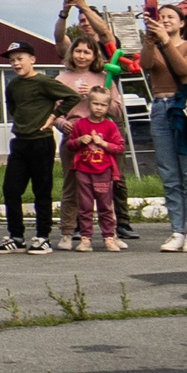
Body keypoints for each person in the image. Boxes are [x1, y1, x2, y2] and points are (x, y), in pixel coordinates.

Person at [56, 0, 137, 242]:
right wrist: (61, 122)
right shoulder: (64, 74)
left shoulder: (105, 61)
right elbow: (54, 110)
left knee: (112, 180)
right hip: (76, 135)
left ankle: (115, 228)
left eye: (87, 52)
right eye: (81, 20)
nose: (82, 55)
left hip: (106, 130)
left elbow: (106, 35)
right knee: (73, 184)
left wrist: (96, 97)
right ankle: (72, 229)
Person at [0, 40, 79, 255]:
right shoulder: (13, 86)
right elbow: (13, 107)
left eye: (20, 59)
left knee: (42, 191)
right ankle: (16, 237)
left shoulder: (44, 82)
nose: (16, 64)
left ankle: (43, 237)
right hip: (20, 142)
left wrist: (54, 116)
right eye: (12, 61)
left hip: (41, 142)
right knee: (11, 190)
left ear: (32, 60)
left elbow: (72, 97)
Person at [137, 1, 187, 252]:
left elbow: (184, 68)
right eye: (162, 16)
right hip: (160, 107)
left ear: (181, 23)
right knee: (169, 173)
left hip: (184, 107)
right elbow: (145, 65)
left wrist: (166, 41)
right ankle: (177, 230)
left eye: (170, 17)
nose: (165, 20)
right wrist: (150, 39)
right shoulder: (155, 45)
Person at [61, 90, 127, 252]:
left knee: (105, 207)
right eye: (95, 103)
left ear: (108, 107)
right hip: (83, 171)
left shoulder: (110, 126)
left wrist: (103, 143)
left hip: (103, 172)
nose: (99, 108)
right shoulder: (80, 124)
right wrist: (79, 141)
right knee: (85, 206)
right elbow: (70, 145)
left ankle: (109, 238)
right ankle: (85, 239)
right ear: (88, 104)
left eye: (103, 105)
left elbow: (120, 148)